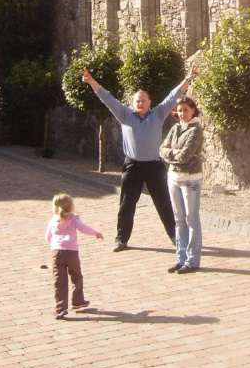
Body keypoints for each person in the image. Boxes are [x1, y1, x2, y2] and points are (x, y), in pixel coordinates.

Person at [81, 63, 199, 252]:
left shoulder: (158, 113)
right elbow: (107, 98)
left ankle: (175, 238)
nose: (140, 104)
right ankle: (121, 239)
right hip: (133, 166)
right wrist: (91, 81)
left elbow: (173, 96)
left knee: (164, 203)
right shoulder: (125, 115)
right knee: (127, 204)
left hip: (153, 166)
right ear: (133, 104)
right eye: (137, 101)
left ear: (149, 103)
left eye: (143, 101)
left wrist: (188, 78)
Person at [160, 95, 204, 274]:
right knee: (179, 221)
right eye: (179, 110)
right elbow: (161, 149)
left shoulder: (196, 130)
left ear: (193, 110)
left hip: (190, 179)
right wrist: (172, 152)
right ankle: (181, 258)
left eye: (186, 109)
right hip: (173, 178)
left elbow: (186, 155)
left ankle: (193, 261)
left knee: (191, 220)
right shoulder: (175, 128)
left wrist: (171, 153)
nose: (182, 113)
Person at [45, 192, 103, 319]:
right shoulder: (74, 218)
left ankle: (60, 308)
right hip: (71, 252)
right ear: (70, 207)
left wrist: (55, 244)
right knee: (76, 276)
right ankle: (77, 300)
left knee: (59, 280)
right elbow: (83, 228)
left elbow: (47, 237)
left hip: (57, 253)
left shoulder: (53, 219)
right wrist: (96, 233)